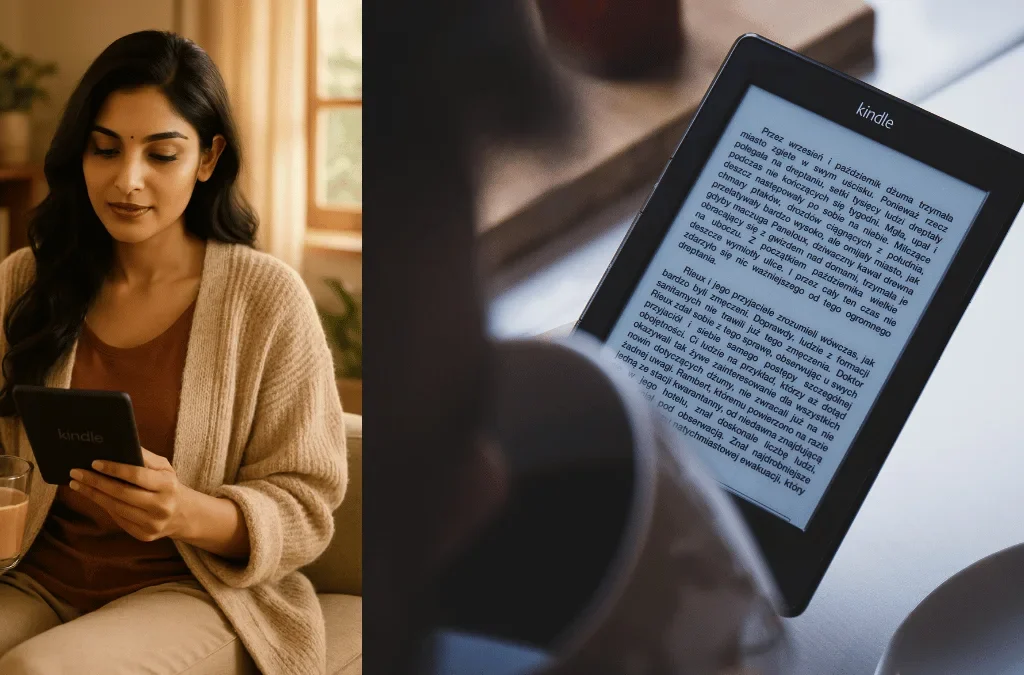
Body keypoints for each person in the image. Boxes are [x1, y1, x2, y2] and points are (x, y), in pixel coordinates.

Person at [0, 30, 347, 675]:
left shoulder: (267, 300)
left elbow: (307, 505)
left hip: (196, 589)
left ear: (209, 157)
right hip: (34, 578)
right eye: (105, 150)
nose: (127, 181)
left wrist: (184, 511)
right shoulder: (27, 280)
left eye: (162, 155)